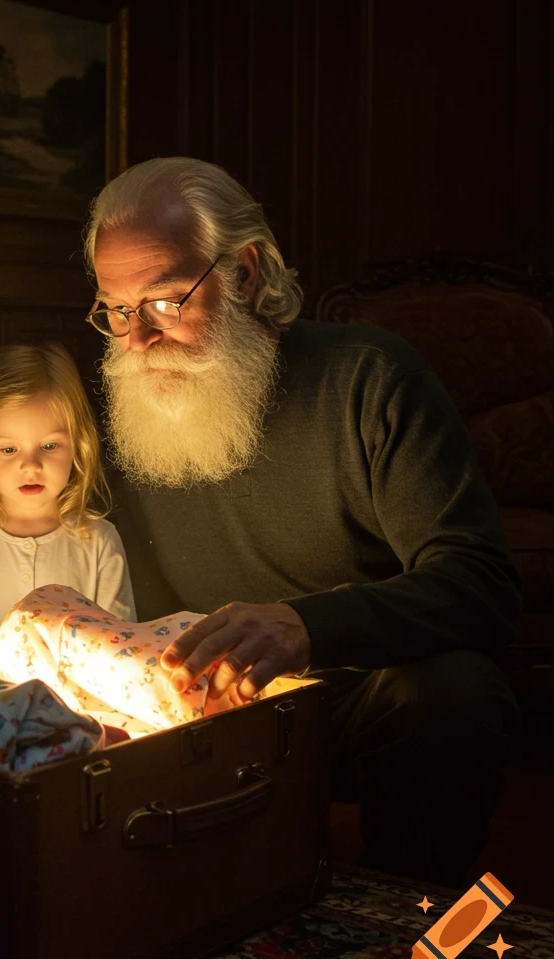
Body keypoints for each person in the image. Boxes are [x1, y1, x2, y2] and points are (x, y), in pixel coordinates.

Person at [82, 156, 522, 888]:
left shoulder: (370, 378)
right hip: (199, 712)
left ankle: (400, 923)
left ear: (247, 274)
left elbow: (482, 584)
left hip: (357, 703)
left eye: (163, 301)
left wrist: (303, 625)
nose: (135, 341)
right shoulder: (119, 407)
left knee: (456, 696)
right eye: (117, 310)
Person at [0, 342, 136, 634]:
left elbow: (121, 645)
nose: (31, 466)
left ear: (78, 444)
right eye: (9, 449)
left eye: (49, 446)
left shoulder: (99, 542)